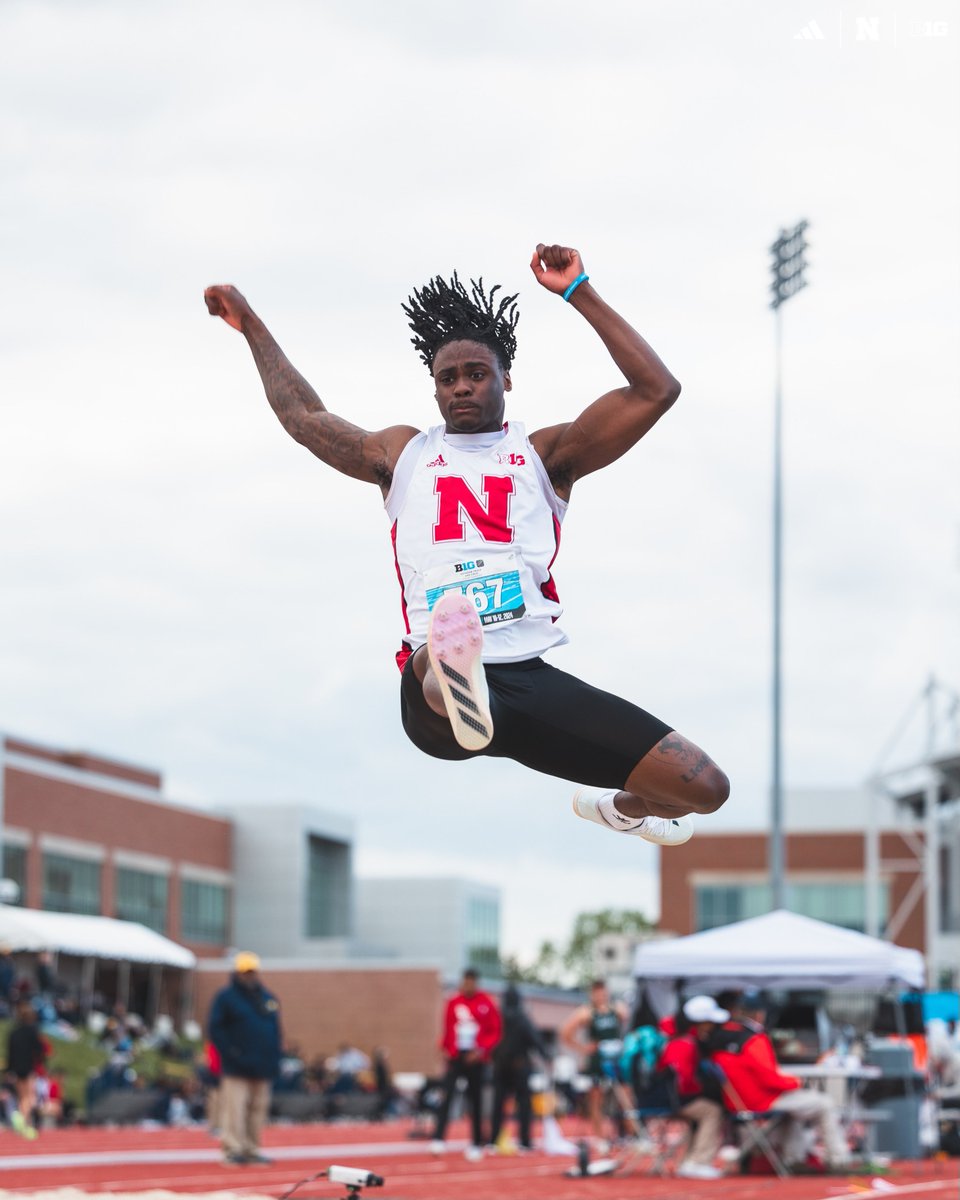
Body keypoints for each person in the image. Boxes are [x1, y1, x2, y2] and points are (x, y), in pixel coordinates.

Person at [204, 244, 729, 849]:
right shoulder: (402, 455)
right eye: (447, 378)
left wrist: (577, 289)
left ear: (506, 379)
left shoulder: (545, 456)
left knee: (705, 788)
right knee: (438, 664)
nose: (461, 388)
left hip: (530, 683)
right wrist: (251, 325)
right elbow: (304, 416)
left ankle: (618, 807)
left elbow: (655, 389)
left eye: (476, 374)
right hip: (433, 700)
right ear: (434, 390)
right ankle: (450, 668)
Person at [708, 993, 850, 1172]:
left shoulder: (720, 1035)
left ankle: (793, 1159)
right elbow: (769, 1078)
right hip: (759, 1100)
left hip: (734, 1100)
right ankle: (838, 1161)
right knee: (825, 1103)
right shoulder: (753, 1038)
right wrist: (796, 1082)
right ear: (759, 1014)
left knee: (797, 1109)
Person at [208, 951, 282, 1167]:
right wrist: (231, 1053)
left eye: (252, 972)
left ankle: (251, 1148)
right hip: (236, 1065)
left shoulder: (268, 998)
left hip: (263, 1065)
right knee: (235, 1108)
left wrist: (275, 1057)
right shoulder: (226, 998)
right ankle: (233, 1149)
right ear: (237, 972)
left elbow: (276, 1031)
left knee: (257, 1109)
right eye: (245, 972)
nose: (249, 976)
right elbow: (216, 1029)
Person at [431, 967, 502, 1160]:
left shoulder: (486, 1002)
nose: (468, 985)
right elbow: (447, 1028)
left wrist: (480, 1051)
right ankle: (438, 1138)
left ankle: (476, 1142)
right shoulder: (453, 1002)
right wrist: (446, 1049)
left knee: (475, 1100)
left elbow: (494, 1031)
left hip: (476, 1058)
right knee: (447, 1096)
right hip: (456, 1057)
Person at [658, 995, 729, 1180]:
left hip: (670, 1098)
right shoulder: (686, 1043)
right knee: (712, 1111)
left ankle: (688, 1161)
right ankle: (699, 1161)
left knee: (701, 1111)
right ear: (700, 1022)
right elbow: (684, 1080)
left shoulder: (677, 1038)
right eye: (710, 1022)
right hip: (674, 1100)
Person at [561, 979, 631, 1147]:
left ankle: (630, 1135)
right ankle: (600, 1138)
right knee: (596, 1099)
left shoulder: (618, 1009)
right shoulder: (586, 1012)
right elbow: (565, 1032)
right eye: (597, 992)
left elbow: (629, 1021)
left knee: (625, 1097)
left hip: (616, 1059)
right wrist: (583, 1048)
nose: (601, 995)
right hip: (598, 1061)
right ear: (593, 994)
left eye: (603, 992)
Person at [489, 983, 550, 1151]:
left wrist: (492, 1057)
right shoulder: (522, 1018)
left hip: (502, 1067)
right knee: (523, 1104)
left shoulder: (499, 1017)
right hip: (519, 1067)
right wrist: (546, 1056)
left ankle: (494, 1138)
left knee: (499, 1105)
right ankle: (524, 1140)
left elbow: (490, 1040)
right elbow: (535, 1039)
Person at [5, 1000, 46, 1138]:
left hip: (16, 1069)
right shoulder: (32, 1031)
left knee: (22, 1097)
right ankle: (21, 1118)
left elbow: (9, 1054)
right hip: (28, 1068)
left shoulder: (13, 1033)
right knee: (29, 1098)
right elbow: (39, 1050)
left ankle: (26, 1128)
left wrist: (9, 1070)